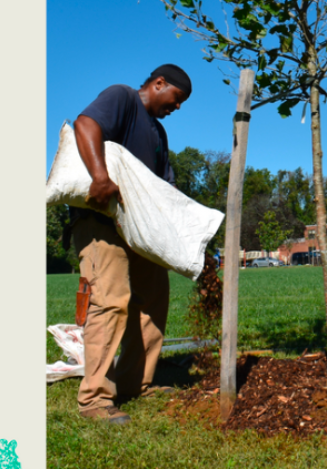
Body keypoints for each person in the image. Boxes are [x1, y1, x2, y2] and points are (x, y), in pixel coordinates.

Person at [69, 63, 192, 424]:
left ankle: (136, 382)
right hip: (102, 221)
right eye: (177, 98)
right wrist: (100, 177)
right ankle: (94, 398)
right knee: (109, 300)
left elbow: (162, 187)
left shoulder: (159, 134)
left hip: (139, 230)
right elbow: (86, 124)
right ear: (159, 83)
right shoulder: (122, 97)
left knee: (153, 299)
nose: (178, 107)